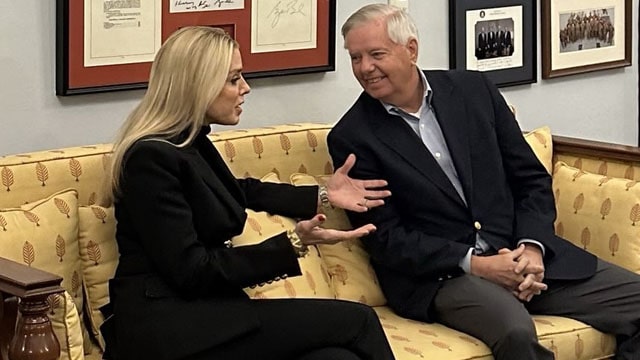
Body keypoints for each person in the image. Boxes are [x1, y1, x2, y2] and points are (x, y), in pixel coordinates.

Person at [327, 4, 640, 360]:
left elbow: (531, 180)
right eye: (355, 58)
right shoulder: (353, 137)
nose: (365, 68)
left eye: (376, 54)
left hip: (521, 255)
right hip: (445, 276)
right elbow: (387, 239)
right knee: (515, 330)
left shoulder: (473, 90)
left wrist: (533, 247)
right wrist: (475, 264)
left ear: (411, 49)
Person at [99, 26, 395, 360]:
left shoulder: (188, 142)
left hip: (206, 315)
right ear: (198, 85)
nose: (245, 88)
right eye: (233, 79)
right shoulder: (150, 158)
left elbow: (236, 191)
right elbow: (192, 271)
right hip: (170, 328)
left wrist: (322, 195)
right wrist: (293, 243)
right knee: (360, 321)